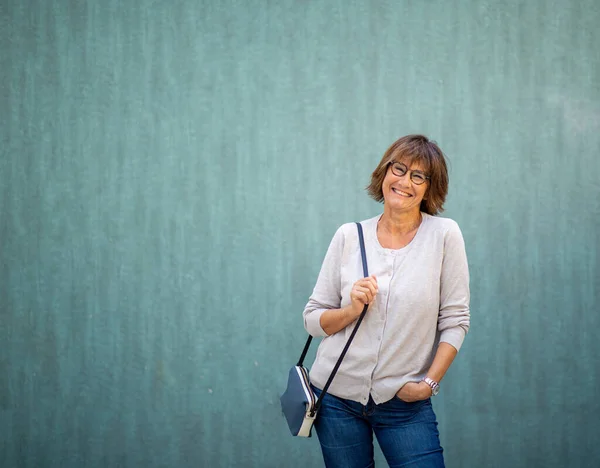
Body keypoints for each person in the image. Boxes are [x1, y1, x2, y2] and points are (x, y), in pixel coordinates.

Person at [303, 135, 470, 468]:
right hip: (336, 399)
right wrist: (351, 310)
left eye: (418, 176)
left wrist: (429, 384)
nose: (405, 181)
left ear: (428, 188)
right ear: (385, 172)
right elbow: (312, 318)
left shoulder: (444, 235)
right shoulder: (349, 236)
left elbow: (455, 320)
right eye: (399, 168)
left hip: (404, 404)